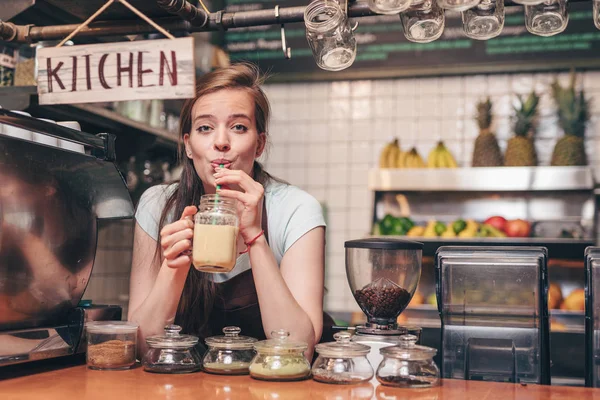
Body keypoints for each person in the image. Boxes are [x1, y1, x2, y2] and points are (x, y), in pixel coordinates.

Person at [129, 63, 331, 357]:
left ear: (259, 143)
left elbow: (298, 350)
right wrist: (173, 268)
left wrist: (255, 239)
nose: (221, 142)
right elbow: (143, 347)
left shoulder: (296, 209)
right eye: (205, 128)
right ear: (188, 145)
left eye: (238, 127)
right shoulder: (158, 206)